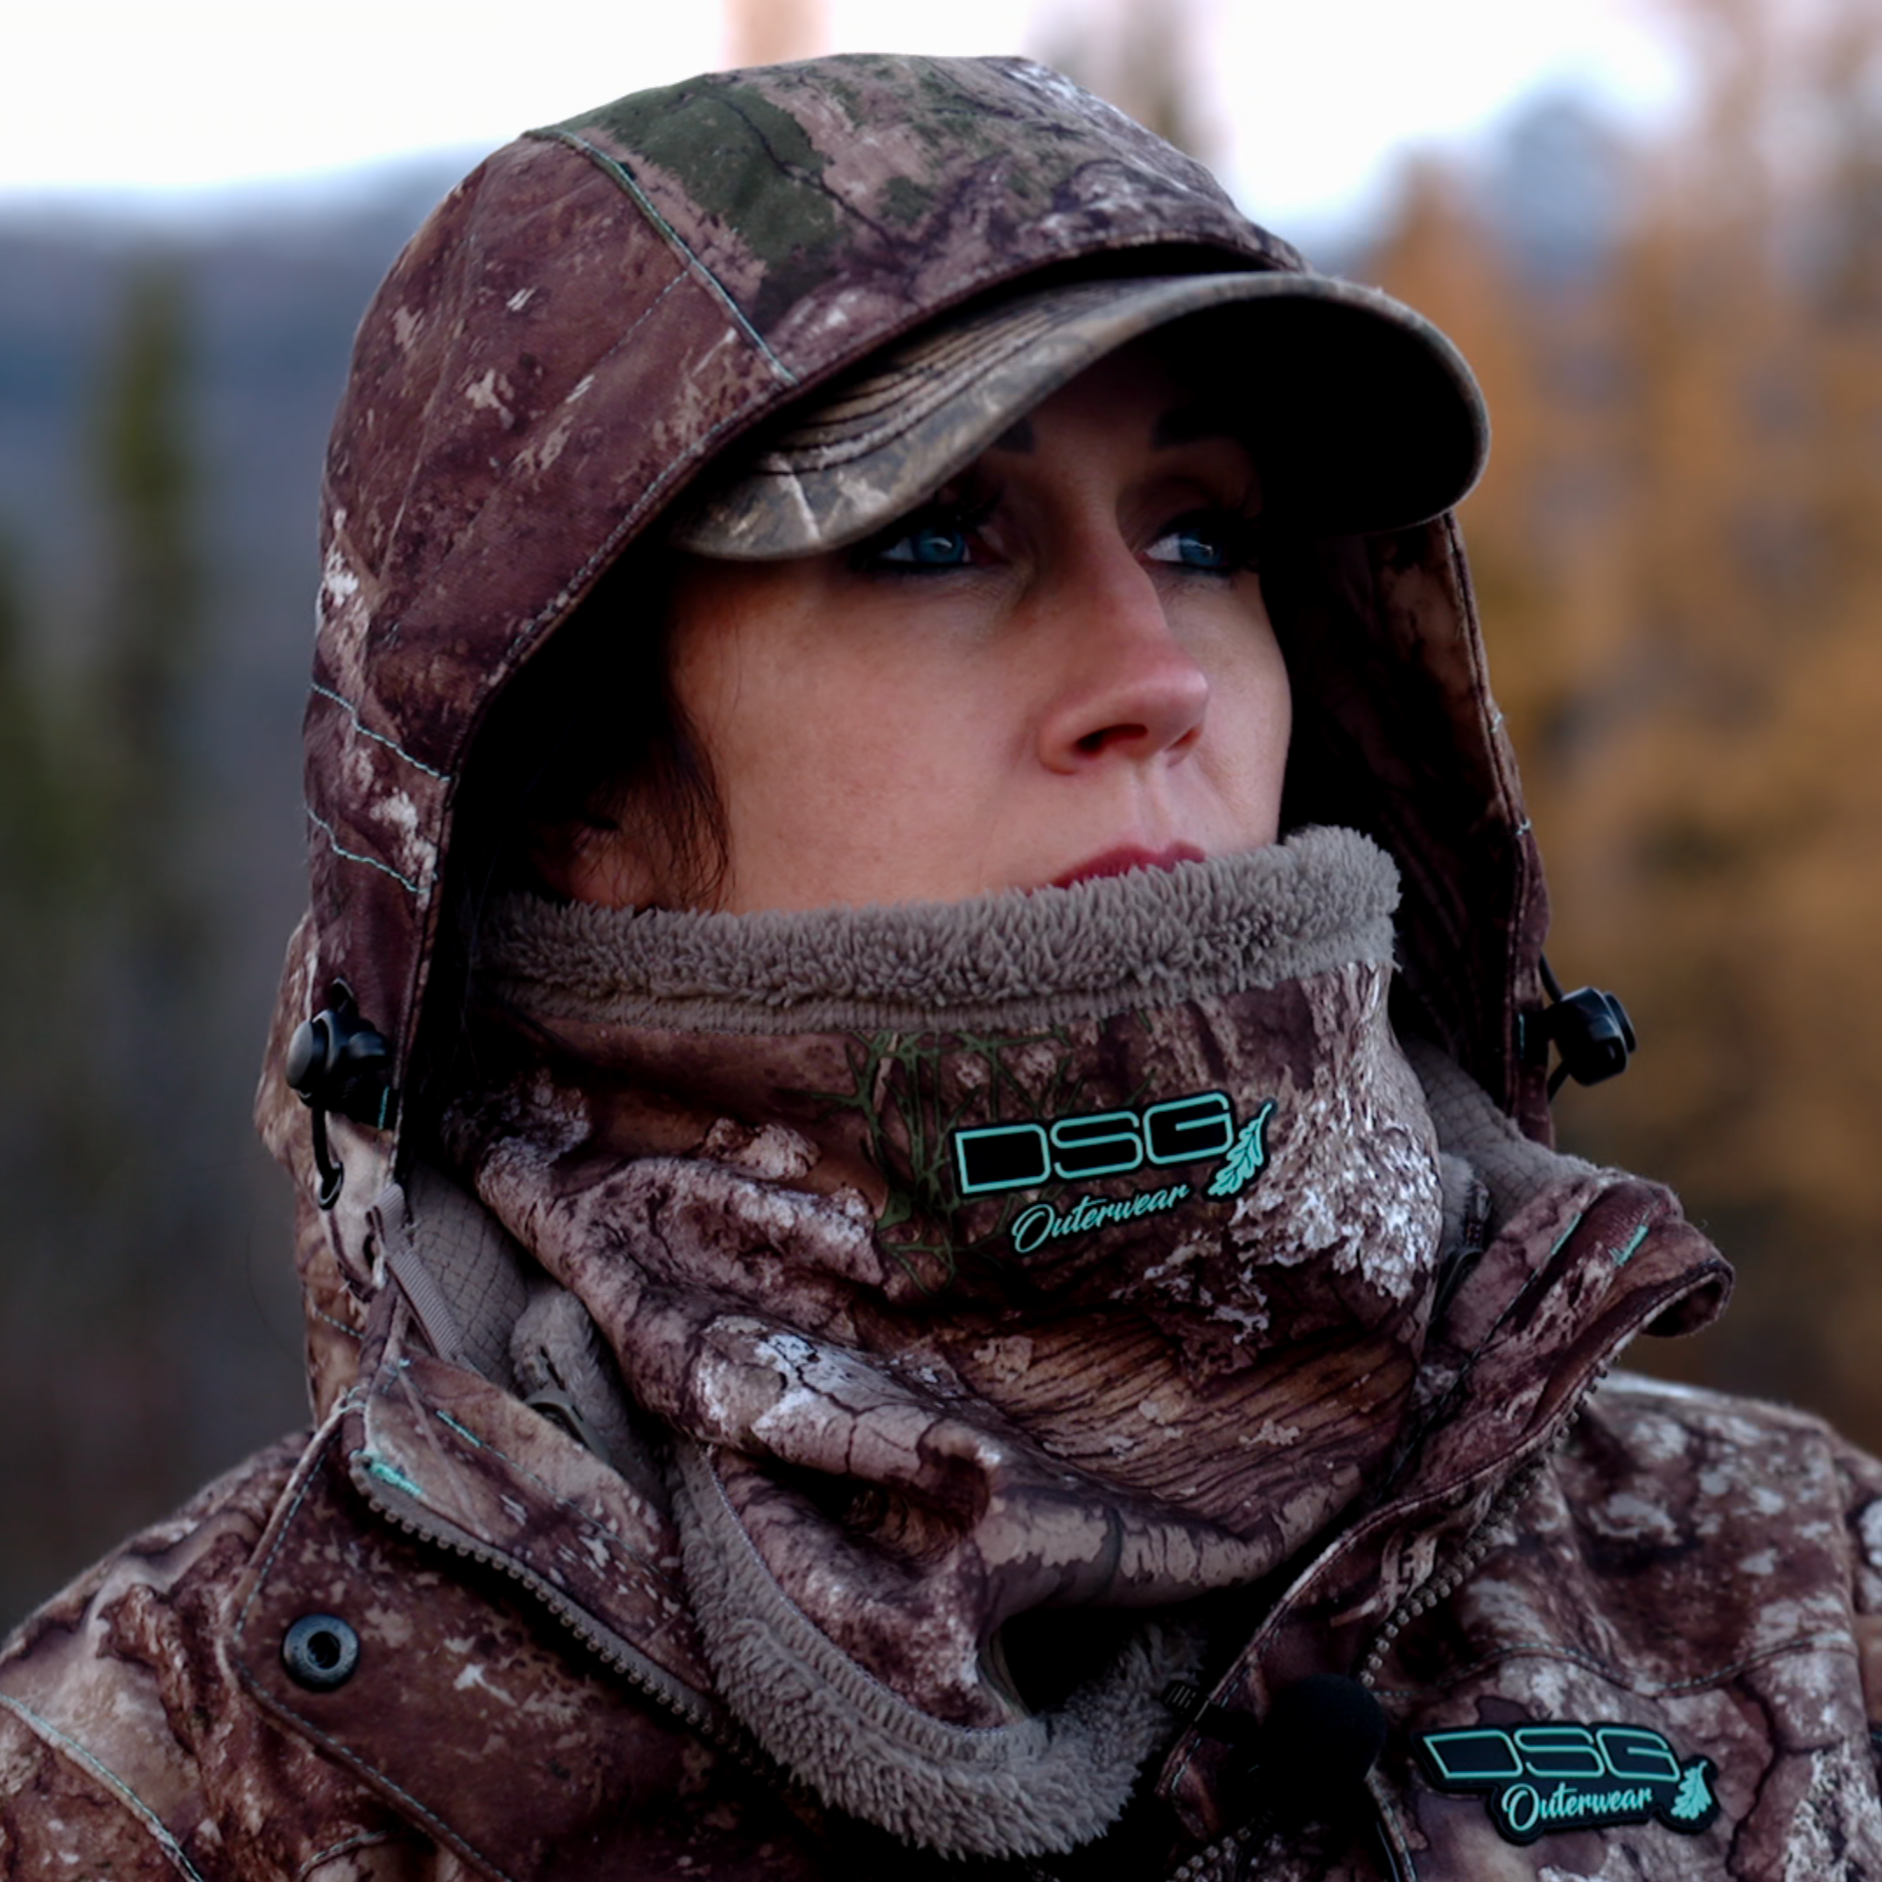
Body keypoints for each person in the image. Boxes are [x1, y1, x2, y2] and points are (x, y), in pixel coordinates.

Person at [3, 51, 1881, 1882]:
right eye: (933, 536)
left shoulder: (1800, 1609)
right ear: (566, 785)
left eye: (1202, 533)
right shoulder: (169, 1778)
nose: (1155, 674)